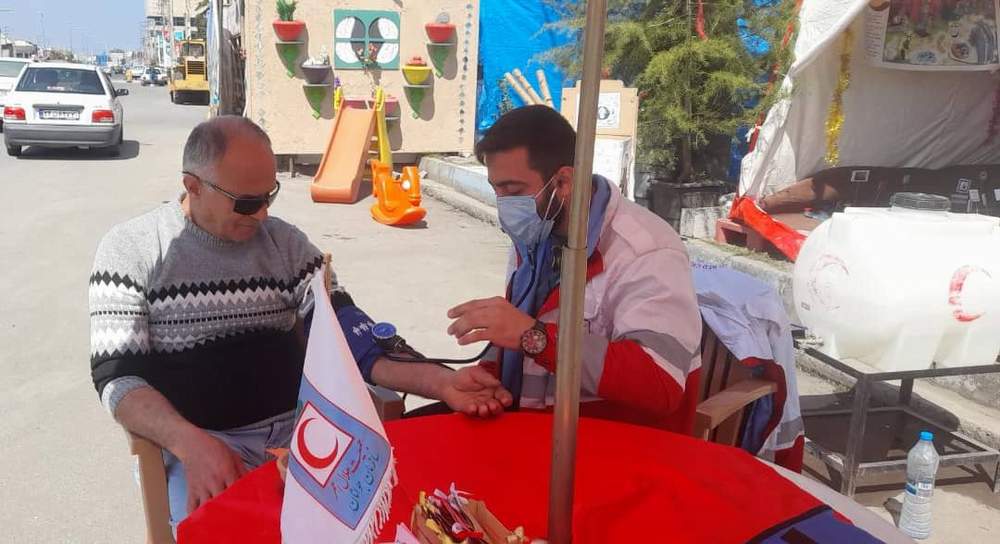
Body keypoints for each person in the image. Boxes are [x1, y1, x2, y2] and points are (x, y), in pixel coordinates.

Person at [88, 116, 511, 529]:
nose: (261, 214)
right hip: (203, 440)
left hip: (305, 432)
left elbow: (344, 331)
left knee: (394, 514)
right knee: (222, 532)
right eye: (247, 202)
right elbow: (118, 378)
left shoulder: (284, 243)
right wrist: (189, 443)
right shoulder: (133, 250)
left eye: (268, 196)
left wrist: (442, 383)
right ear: (193, 186)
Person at [446, 105, 703, 432]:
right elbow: (523, 325)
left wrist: (533, 337)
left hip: (616, 444)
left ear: (564, 181)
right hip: (534, 430)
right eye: (496, 190)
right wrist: (489, 374)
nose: (504, 206)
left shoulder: (646, 251)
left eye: (513, 191)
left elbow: (660, 382)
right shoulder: (536, 233)